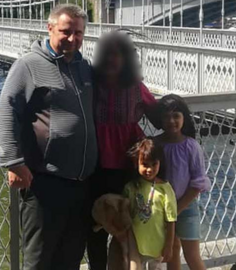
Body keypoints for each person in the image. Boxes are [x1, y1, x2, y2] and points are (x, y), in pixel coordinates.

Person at [0, 4, 97, 270]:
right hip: (45, 183)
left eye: (79, 33)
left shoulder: (84, 67)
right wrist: (13, 161)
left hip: (81, 184)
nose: (73, 39)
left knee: (70, 259)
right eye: (66, 31)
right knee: (40, 261)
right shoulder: (28, 65)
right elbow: (7, 111)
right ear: (50, 28)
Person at [87, 30, 160, 270]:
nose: (111, 60)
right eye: (107, 54)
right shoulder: (91, 84)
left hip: (129, 166)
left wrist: (180, 137)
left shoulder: (136, 87)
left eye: (117, 55)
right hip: (94, 165)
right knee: (95, 225)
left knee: (126, 226)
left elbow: (159, 116)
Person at [156, 94, 210, 270]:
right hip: (161, 209)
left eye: (176, 116)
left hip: (186, 208)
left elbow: (198, 183)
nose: (171, 121)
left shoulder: (191, 146)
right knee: (171, 252)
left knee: (192, 255)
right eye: (166, 116)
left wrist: (177, 209)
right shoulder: (155, 144)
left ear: (184, 118)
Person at [123, 138, 177, 270]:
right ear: (137, 163)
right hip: (135, 242)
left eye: (154, 164)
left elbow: (171, 219)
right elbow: (125, 214)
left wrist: (169, 245)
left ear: (160, 163)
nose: (149, 169)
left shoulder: (165, 188)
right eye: (145, 164)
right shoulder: (131, 187)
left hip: (157, 245)